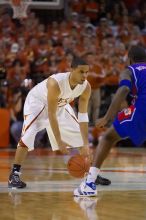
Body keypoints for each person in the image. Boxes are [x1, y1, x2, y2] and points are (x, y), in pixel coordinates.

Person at [8, 55, 110, 188]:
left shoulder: (86, 87)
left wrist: (85, 143)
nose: (84, 75)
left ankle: (91, 174)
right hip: (38, 103)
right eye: (81, 72)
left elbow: (83, 116)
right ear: (71, 69)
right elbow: (51, 113)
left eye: (86, 72)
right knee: (28, 135)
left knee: (80, 137)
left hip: (60, 104)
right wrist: (59, 140)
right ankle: (14, 175)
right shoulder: (55, 82)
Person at [74, 45, 146, 196]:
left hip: (142, 109)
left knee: (107, 138)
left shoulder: (129, 70)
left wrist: (107, 117)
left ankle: (89, 184)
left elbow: (124, 89)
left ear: (129, 59)